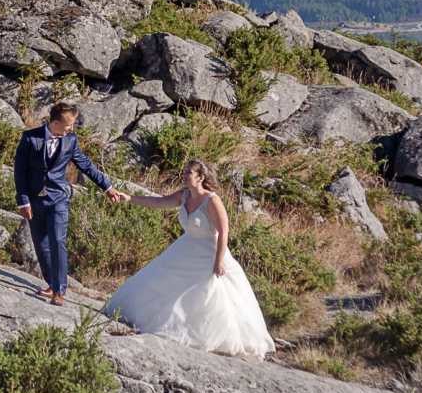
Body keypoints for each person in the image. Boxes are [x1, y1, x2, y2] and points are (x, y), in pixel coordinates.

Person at [102, 159, 275, 359]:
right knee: (157, 279)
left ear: (200, 177)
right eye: (184, 172)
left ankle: (204, 334)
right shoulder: (184, 195)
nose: (184, 176)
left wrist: (219, 261)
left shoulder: (211, 200)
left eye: (188, 173)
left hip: (208, 253)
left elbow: (223, 231)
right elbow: (160, 202)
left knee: (210, 294)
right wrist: (130, 198)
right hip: (185, 248)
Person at [14, 102, 129, 306]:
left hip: (59, 198)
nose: (71, 129)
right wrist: (23, 201)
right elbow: (20, 173)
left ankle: (59, 290)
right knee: (41, 245)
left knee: (57, 241)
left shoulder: (71, 140)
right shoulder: (30, 138)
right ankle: (51, 283)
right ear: (55, 122)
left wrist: (107, 187)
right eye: (68, 125)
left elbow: (85, 165)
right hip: (34, 200)